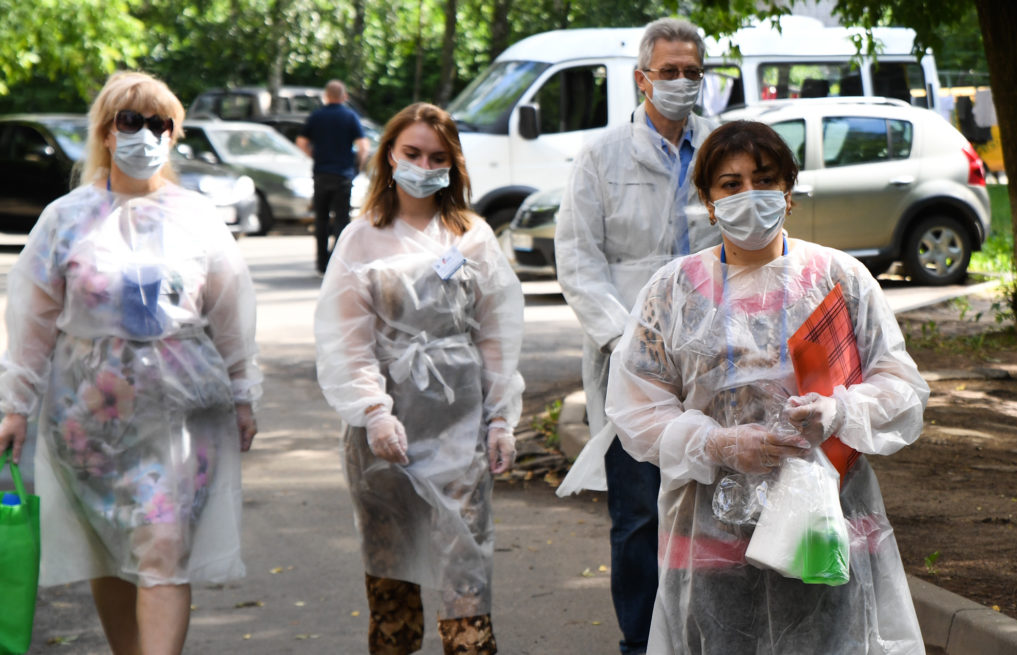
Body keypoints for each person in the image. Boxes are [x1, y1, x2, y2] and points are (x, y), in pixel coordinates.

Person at [605, 119, 930, 653]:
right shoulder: (673, 290)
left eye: (764, 178)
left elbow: (899, 384)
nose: (748, 195)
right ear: (709, 202)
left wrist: (840, 412)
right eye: (730, 185)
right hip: (711, 523)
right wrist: (717, 443)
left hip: (822, 518)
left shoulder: (838, 279)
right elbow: (636, 405)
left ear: (789, 189)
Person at [0, 71, 261, 655]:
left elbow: (230, 313)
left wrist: (245, 394)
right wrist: (14, 407)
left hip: (183, 415)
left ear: (174, 136)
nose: (145, 134)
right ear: (106, 132)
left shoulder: (197, 216)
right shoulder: (65, 219)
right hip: (87, 419)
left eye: (159, 123)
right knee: (111, 546)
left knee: (163, 542)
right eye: (130, 121)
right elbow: (32, 320)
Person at [314, 102, 524, 654]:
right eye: (412, 153)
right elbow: (347, 341)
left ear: (452, 165)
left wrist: (501, 417)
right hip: (388, 430)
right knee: (392, 577)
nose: (423, 165)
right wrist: (373, 412)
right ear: (389, 156)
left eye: (436, 156)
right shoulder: (361, 239)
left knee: (466, 573)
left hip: (460, 426)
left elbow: (497, 334)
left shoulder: (472, 235)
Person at [553, 17, 720, 655]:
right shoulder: (600, 157)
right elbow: (579, 261)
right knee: (639, 512)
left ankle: (704, 632)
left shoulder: (721, 149)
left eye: (691, 72)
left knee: (709, 504)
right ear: (641, 78)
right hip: (628, 363)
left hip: (711, 360)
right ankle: (640, 641)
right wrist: (632, 345)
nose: (680, 83)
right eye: (668, 71)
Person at [296, 79, 371, 273]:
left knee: (321, 219)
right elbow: (363, 147)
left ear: (326, 96)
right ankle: (336, 262)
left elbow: (301, 142)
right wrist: (357, 167)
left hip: (321, 174)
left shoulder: (316, 116)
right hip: (343, 175)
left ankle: (321, 263)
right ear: (344, 96)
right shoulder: (350, 116)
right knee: (341, 220)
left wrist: (315, 155)